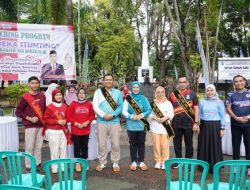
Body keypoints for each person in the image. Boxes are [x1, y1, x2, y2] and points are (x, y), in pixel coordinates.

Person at [93, 74, 123, 173]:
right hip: (101, 121)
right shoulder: (98, 92)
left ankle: (115, 162)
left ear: (113, 81)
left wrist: (113, 115)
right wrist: (103, 115)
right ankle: (102, 162)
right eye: (106, 80)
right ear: (103, 81)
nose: (108, 81)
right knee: (102, 144)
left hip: (114, 121)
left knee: (115, 144)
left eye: (110, 80)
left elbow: (120, 107)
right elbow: (95, 106)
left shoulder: (118, 93)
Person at [16, 76, 46, 171]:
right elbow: (18, 112)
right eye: (32, 83)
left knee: (38, 146)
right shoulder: (25, 97)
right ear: (29, 84)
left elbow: (44, 110)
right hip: (30, 126)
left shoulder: (42, 95)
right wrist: (29, 118)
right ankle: (28, 165)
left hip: (40, 125)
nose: (34, 85)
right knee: (29, 147)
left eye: (36, 83)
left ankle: (37, 163)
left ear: (38, 84)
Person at [169, 76, 199, 168]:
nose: (182, 84)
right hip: (176, 123)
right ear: (178, 84)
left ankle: (188, 162)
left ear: (187, 83)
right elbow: (169, 108)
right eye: (180, 82)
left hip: (189, 123)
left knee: (189, 144)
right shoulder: (173, 94)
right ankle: (178, 161)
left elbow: (196, 108)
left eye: (184, 82)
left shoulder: (192, 93)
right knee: (176, 144)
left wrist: (196, 123)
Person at [122, 81, 151, 171]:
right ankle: (134, 162)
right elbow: (124, 111)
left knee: (141, 144)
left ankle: (141, 161)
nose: (135, 89)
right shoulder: (128, 99)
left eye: (137, 87)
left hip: (142, 125)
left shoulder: (143, 98)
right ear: (131, 88)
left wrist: (141, 115)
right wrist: (131, 116)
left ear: (139, 88)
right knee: (133, 144)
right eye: (134, 87)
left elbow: (148, 109)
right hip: (131, 126)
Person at [197, 84, 225, 173]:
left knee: (215, 145)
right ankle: (203, 166)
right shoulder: (202, 101)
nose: (210, 92)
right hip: (204, 125)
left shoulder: (219, 102)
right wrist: (198, 125)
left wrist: (222, 128)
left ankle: (215, 167)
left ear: (214, 91)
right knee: (204, 144)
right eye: (208, 90)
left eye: (211, 90)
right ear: (206, 91)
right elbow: (200, 114)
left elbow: (222, 116)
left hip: (215, 126)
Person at [226, 75, 250, 175]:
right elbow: (228, 108)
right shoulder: (231, 94)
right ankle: (235, 165)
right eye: (236, 81)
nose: (239, 83)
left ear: (245, 81)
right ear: (234, 83)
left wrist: (248, 117)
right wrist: (236, 118)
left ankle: (249, 167)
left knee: (249, 146)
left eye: (241, 81)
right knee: (235, 145)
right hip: (235, 124)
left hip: (248, 124)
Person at [67, 87, 95, 172]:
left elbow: (92, 115)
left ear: (86, 95)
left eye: (83, 93)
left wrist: (87, 122)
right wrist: (76, 123)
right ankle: (77, 163)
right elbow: (68, 116)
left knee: (84, 147)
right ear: (77, 94)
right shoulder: (73, 104)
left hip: (85, 129)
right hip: (76, 130)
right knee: (77, 147)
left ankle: (84, 161)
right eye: (80, 93)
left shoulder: (89, 104)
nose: (81, 95)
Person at [43, 89, 68, 173]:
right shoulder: (50, 106)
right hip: (53, 131)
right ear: (53, 96)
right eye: (56, 95)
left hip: (63, 131)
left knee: (63, 149)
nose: (58, 97)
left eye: (60, 95)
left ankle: (63, 165)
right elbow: (46, 119)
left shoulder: (65, 106)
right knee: (54, 150)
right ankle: (54, 166)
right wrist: (57, 121)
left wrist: (66, 120)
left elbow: (67, 116)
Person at [149, 86, 174, 170]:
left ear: (164, 93)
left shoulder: (168, 103)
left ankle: (164, 162)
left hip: (165, 127)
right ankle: (158, 161)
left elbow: (171, 114)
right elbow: (149, 114)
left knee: (165, 146)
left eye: (162, 92)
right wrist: (155, 118)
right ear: (156, 93)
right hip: (154, 127)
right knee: (156, 146)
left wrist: (165, 118)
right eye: (158, 92)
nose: (160, 94)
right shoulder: (153, 104)